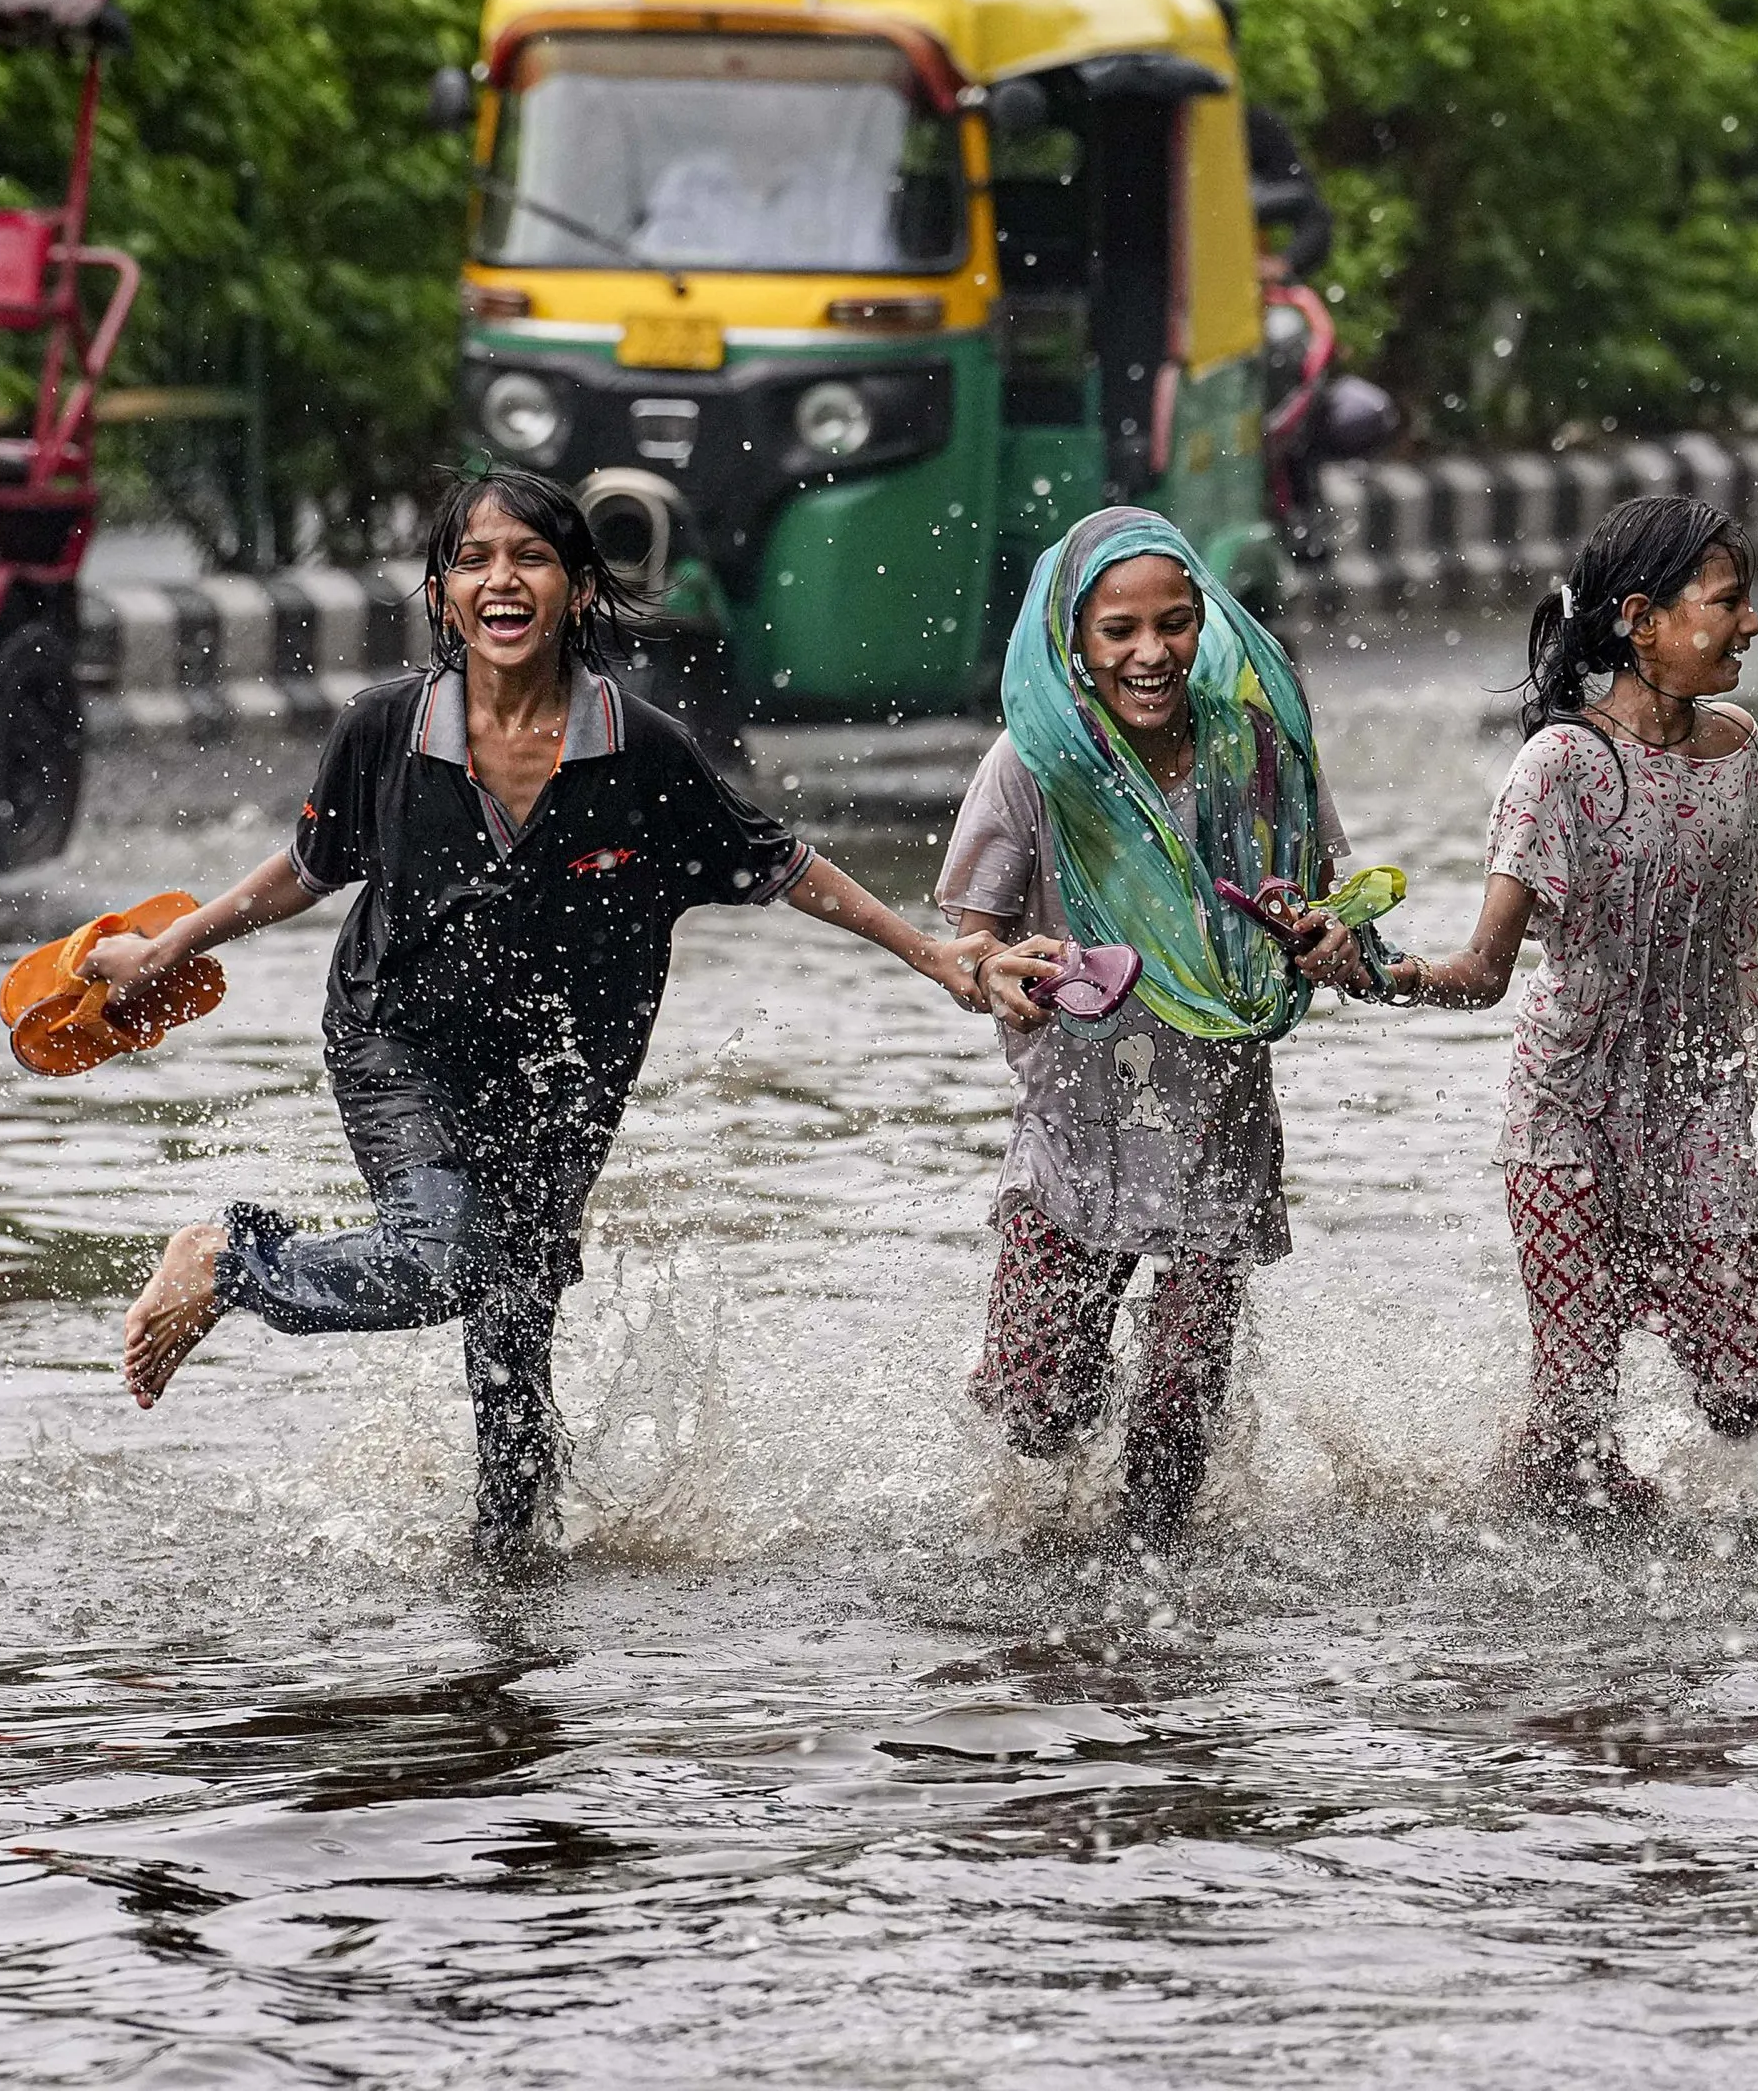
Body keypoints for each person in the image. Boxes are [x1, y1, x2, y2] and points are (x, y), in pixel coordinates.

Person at [88, 469, 1044, 1568]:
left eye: (531, 557)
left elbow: (784, 866)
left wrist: (934, 954)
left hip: (564, 1072)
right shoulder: (383, 732)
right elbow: (307, 870)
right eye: (474, 560)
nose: (502, 579)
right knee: (442, 1258)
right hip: (396, 1036)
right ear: (445, 594)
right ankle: (231, 1261)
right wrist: (163, 950)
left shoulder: (642, 750)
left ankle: (514, 1585)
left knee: (514, 1327)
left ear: (580, 588)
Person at [1353, 497, 1758, 1518]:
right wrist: (1388, 972)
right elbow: (1484, 966)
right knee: (1575, 1416)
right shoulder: (1559, 767)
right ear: (1641, 620)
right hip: (1568, 1121)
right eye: (1729, 601)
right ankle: (1534, 1556)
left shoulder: (1736, 743)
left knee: (1743, 1396)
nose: (1753, 622)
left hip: (1698, 1115)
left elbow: (1727, 898)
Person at [942, 507, 1365, 1542]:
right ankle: (1053, 1601)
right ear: (1073, 642)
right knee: (1039, 1407)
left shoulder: (1254, 746)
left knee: (1176, 1423)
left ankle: (1155, 1635)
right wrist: (999, 968)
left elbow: (1331, 889)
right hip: (1075, 1127)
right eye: (1119, 631)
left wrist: (1332, 935)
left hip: (1217, 1121)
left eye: (1174, 624)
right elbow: (967, 936)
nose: (1151, 653)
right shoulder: (1034, 761)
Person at [1166, 0, 1334, 282]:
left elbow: (1313, 214)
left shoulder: (1255, 128)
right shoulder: (1113, 120)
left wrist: (1285, 265)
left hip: (1226, 292)